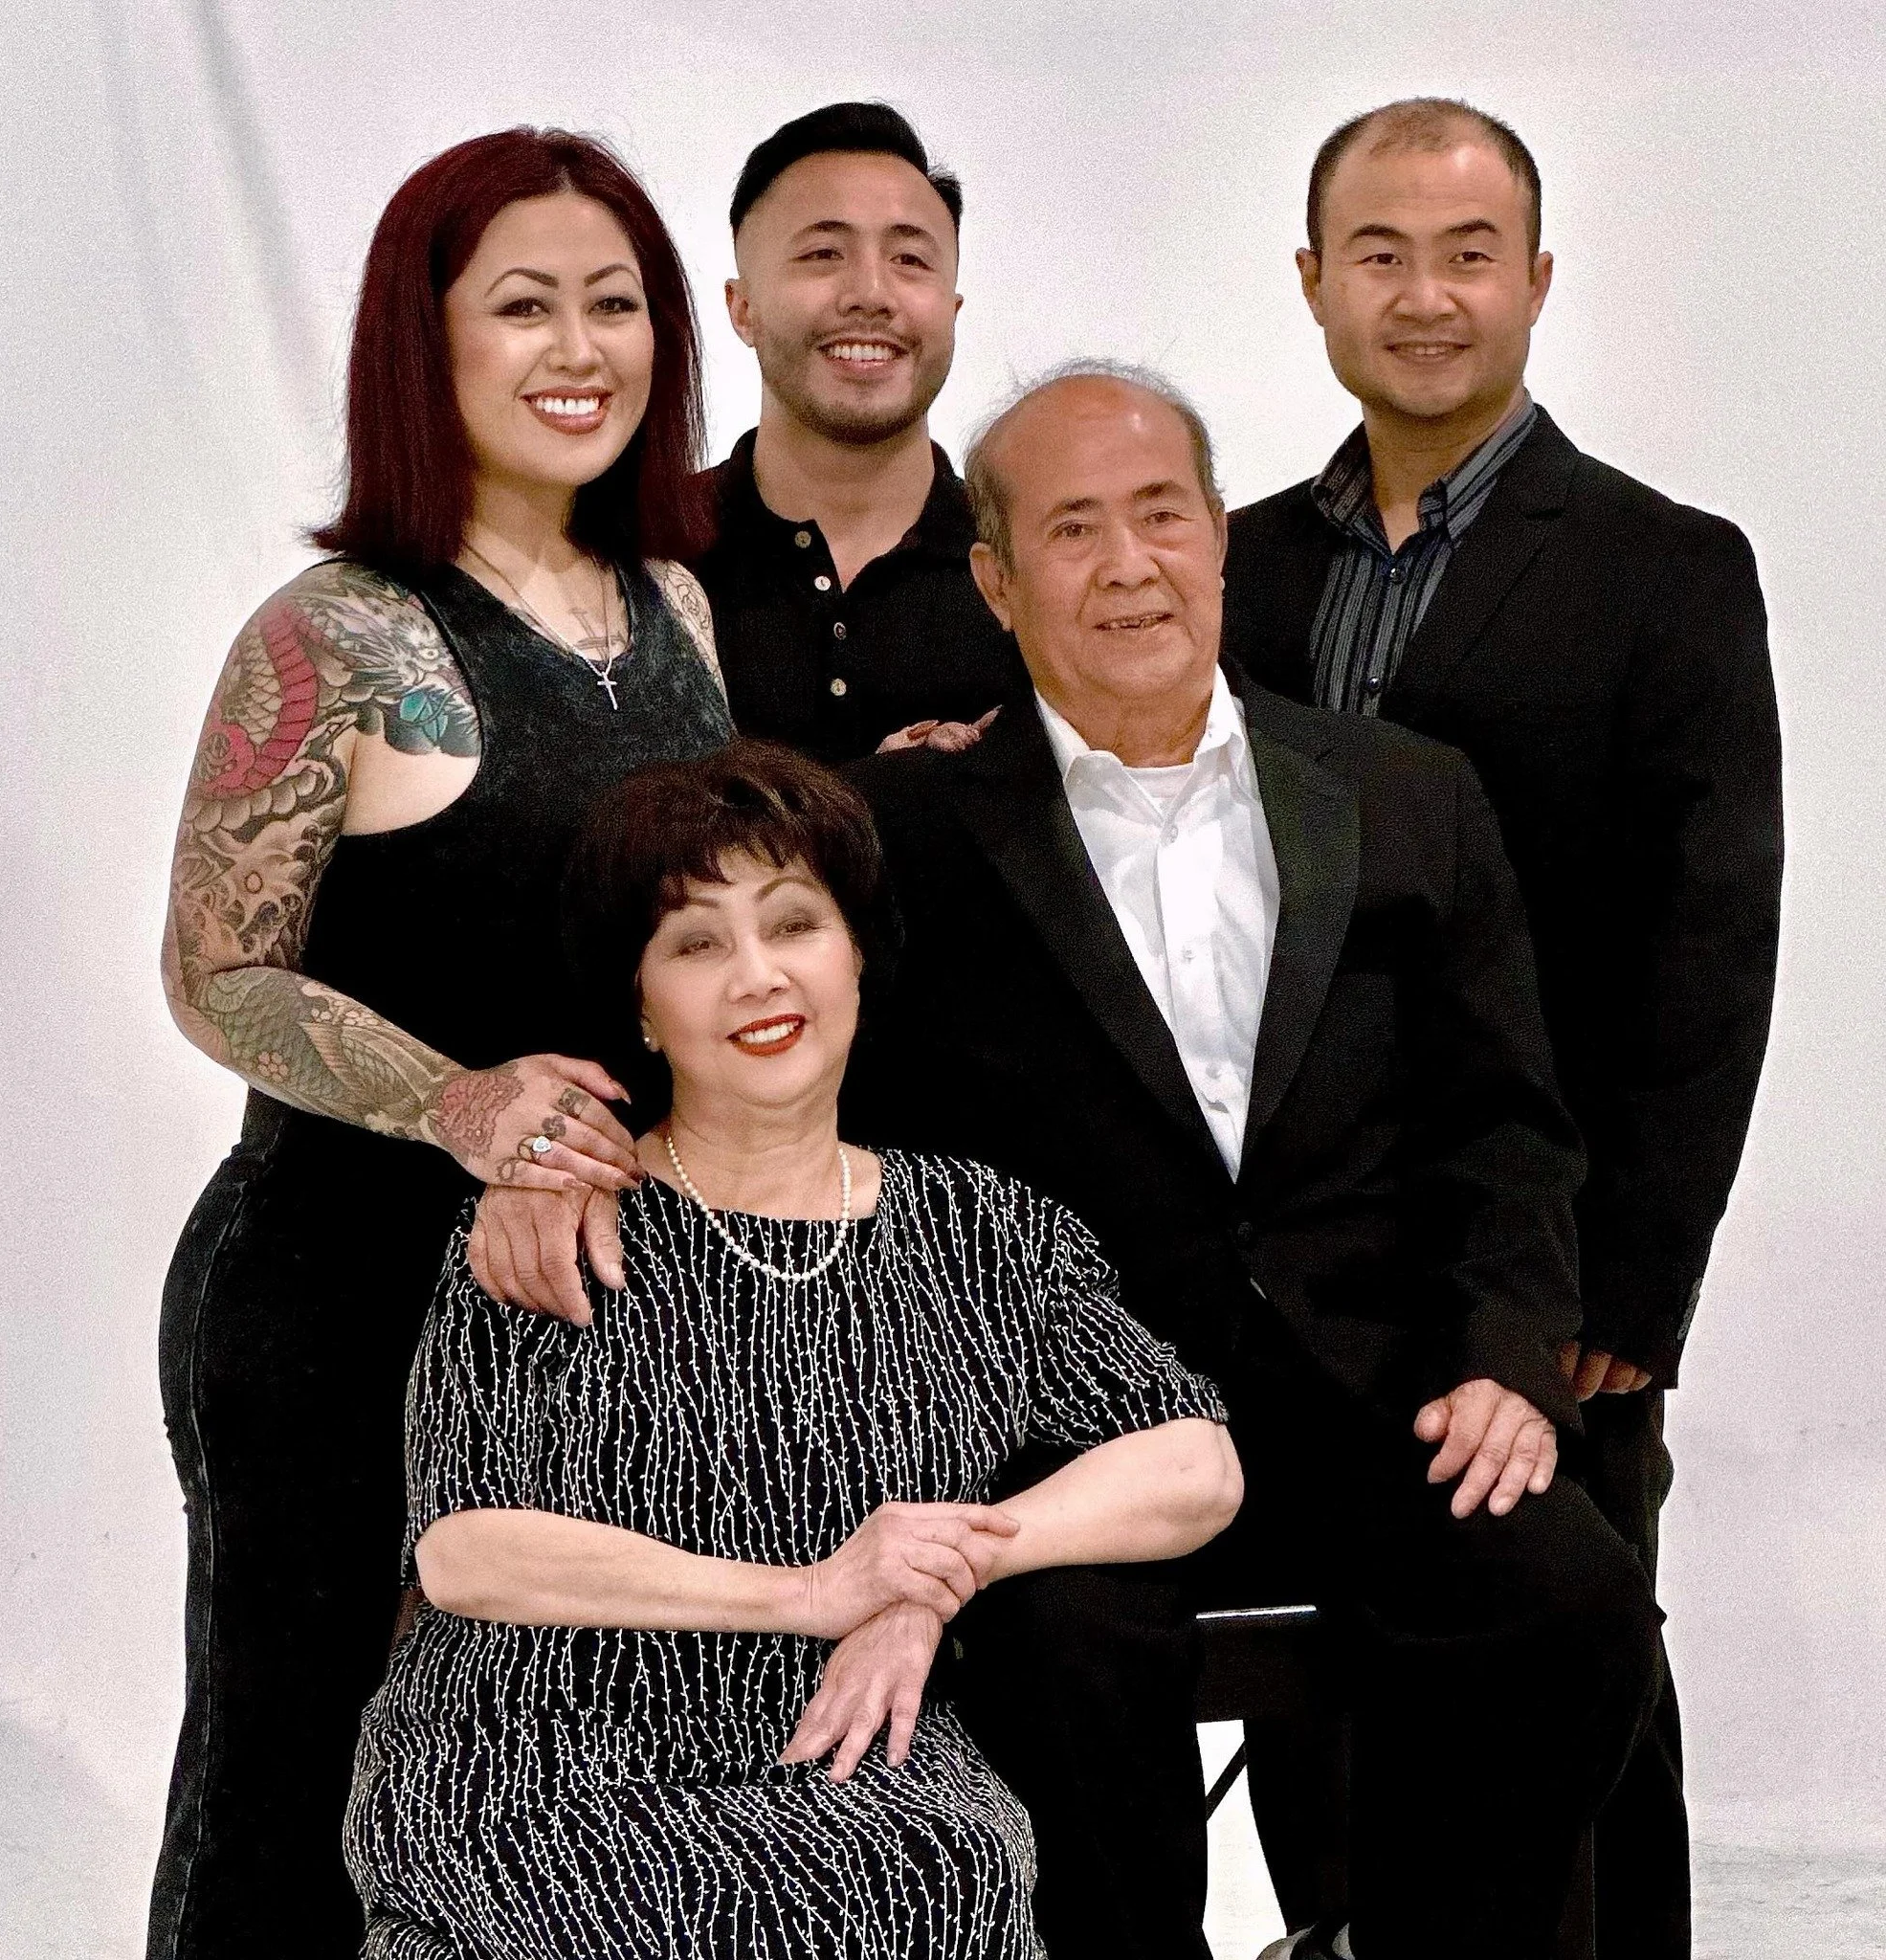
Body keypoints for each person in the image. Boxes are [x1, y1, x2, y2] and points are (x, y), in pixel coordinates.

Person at [828, 365, 1664, 1960]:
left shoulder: (1402, 791)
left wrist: (1504, 1357)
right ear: (996, 580)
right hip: (1068, 1432)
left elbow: (1505, 1127)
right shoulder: (899, 832)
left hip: (1378, 1394)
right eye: (1072, 529)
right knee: (1052, 1655)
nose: (1127, 563)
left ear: (1218, 536)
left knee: (1569, 1608)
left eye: (1160, 514)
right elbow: (853, 1149)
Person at [343, 741, 1241, 1959]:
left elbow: (1193, 1460)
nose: (756, 975)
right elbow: (462, 1549)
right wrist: (810, 1592)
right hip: (536, 1742)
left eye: (793, 923)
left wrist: (937, 1569)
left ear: (856, 952)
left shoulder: (978, 1229)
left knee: (954, 1863)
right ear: (641, 1006)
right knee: (770, 1902)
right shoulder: (551, 1218)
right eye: (695, 943)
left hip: (833, 1724)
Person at [151, 128, 732, 1957]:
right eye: (523, 305)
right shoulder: (336, 635)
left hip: (593, 1302)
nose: (579, 348)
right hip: (336, 1300)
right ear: (429, 340)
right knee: (296, 1777)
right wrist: (454, 1100)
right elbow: (214, 969)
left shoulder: (676, 606)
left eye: (615, 305)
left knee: (552, 1805)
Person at [1220, 98, 1784, 1958]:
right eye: (1378, 254)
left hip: (1540, 1263)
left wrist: (1624, 1294)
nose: (1424, 294)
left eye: (1467, 254)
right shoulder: (1233, 569)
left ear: (1536, 278)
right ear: (1312, 281)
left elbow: (1705, 958)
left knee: (1579, 1656)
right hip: (1299, 1261)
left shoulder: (1662, 568)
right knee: (1334, 1668)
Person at [691, 101, 1020, 761]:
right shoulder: (642, 559)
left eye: (910, 259)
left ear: (952, 310)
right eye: (823, 253)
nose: (871, 293)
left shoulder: (1027, 570)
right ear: (743, 308)